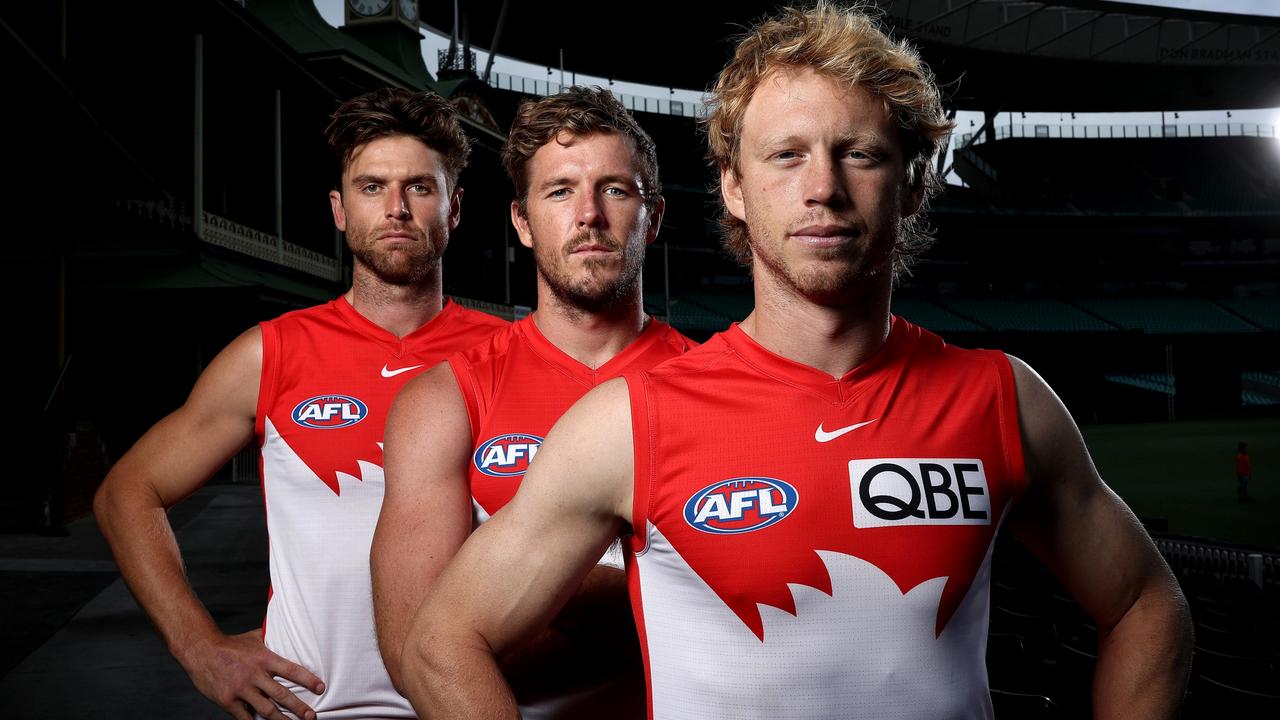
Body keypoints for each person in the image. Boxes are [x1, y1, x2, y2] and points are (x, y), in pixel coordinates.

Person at [399, 5, 1195, 719]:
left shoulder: (1003, 399)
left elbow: (1144, 604)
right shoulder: (628, 422)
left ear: (913, 183)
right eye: (786, 155)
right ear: (735, 188)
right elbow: (443, 643)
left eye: (861, 153)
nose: (823, 187)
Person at [93, 87, 507, 720]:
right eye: (372, 188)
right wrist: (200, 648)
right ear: (339, 210)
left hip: (470, 703)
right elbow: (127, 492)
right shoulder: (273, 352)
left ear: (454, 208)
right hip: (313, 707)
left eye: (419, 188)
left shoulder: (508, 355)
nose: (395, 209)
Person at [370, 87, 694, 718]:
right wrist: (667, 608)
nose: (589, 215)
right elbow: (420, 655)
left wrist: (499, 601)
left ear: (652, 217)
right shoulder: (445, 399)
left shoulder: (716, 386)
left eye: (615, 190)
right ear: (521, 221)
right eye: (559, 191)